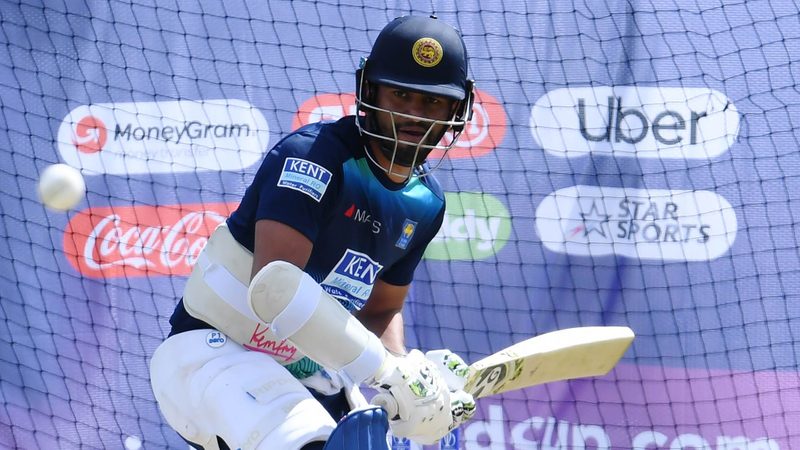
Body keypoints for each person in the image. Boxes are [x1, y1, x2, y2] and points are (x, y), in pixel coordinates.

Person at [149, 14, 477, 450]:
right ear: (369, 90)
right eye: (400, 94)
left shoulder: (426, 203)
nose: (414, 114)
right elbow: (277, 291)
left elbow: (380, 310)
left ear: (457, 110)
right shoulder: (314, 157)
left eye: (433, 101)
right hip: (216, 355)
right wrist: (387, 370)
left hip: (317, 382)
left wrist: (415, 381)